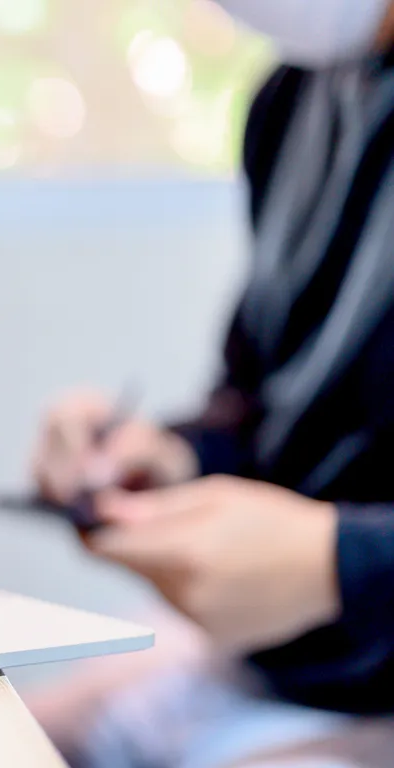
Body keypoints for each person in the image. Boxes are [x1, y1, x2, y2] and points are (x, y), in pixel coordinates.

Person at [30, 1, 394, 765]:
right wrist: (170, 455)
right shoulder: (295, 105)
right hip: (287, 663)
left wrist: (341, 565)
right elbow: (264, 399)